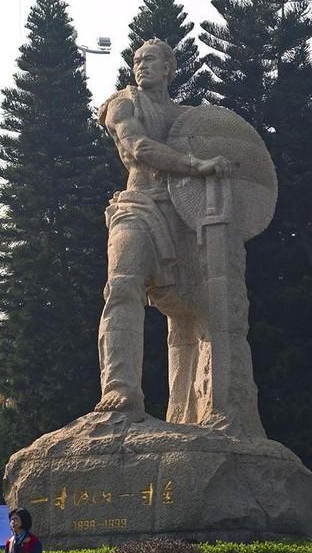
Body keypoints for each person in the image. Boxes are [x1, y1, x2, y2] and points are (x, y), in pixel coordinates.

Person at [95, 39, 235, 418]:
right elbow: (137, 146)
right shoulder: (123, 103)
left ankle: (190, 410)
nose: (140, 66)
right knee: (123, 286)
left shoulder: (186, 117)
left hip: (182, 216)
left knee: (191, 310)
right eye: (137, 60)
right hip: (137, 208)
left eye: (150, 59)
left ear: (169, 67)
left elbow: (231, 158)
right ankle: (120, 390)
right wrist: (196, 164)